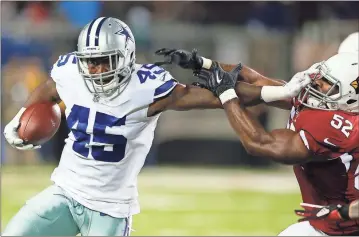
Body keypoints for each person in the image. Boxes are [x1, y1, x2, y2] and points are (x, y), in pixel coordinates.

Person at [3, 17, 310, 236]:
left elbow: (215, 94)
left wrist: (275, 93)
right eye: (91, 62)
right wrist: (22, 116)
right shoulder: (72, 71)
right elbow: (48, 88)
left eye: (105, 61)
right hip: (65, 193)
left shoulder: (146, 87)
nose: (95, 70)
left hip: (110, 210)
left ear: (124, 58)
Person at [156, 48, 359, 235]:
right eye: (320, 77)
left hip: (344, 229)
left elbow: (260, 143)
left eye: (326, 84)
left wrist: (227, 95)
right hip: (325, 224)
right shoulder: (322, 104)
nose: (315, 84)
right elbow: (255, 80)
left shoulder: (336, 127)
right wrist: (202, 63)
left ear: (350, 98)